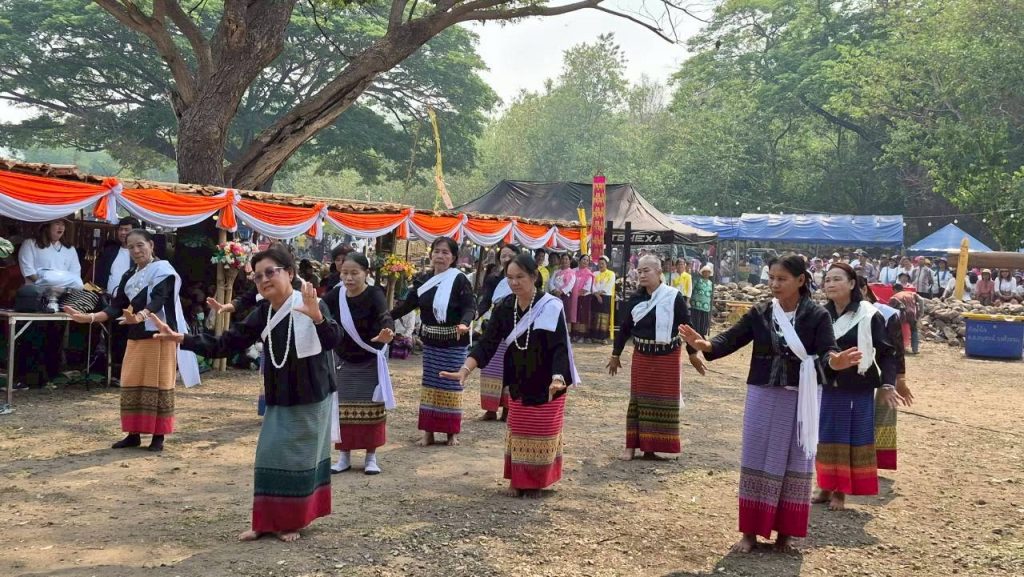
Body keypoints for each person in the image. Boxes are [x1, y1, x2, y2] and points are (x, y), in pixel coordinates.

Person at [157, 246, 341, 542]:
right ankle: (265, 522)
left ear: (289, 273)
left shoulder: (312, 303)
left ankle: (290, 522)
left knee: (299, 459)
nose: (264, 280)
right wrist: (183, 339)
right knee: (268, 456)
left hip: (311, 394)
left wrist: (318, 318)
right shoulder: (264, 312)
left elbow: (333, 340)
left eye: (270, 272)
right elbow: (227, 343)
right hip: (279, 394)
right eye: (258, 276)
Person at [679, 255, 861, 553]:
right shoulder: (761, 312)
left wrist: (836, 362)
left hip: (800, 397)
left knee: (795, 459)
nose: (774, 284)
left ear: (800, 280)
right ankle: (750, 532)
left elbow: (828, 351)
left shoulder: (816, 315)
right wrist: (706, 345)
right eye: (772, 278)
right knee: (757, 456)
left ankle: (785, 535)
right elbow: (731, 338)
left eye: (782, 279)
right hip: (763, 394)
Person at [444, 253, 578, 498]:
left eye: (520, 277)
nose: (514, 282)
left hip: (549, 380)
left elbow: (559, 346)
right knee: (518, 430)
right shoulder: (505, 307)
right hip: (518, 377)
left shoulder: (550, 305)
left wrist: (558, 377)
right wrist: (465, 369)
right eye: (510, 277)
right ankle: (518, 479)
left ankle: (536, 481)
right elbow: (487, 343)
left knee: (541, 432)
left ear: (534, 277)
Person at [65, 229, 200, 452]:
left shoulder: (163, 271)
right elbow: (116, 306)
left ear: (151, 245)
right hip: (136, 333)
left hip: (160, 334)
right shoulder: (129, 275)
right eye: (131, 247)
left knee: (159, 384)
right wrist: (89, 317)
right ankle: (133, 433)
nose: (136, 251)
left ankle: (158, 436)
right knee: (131, 381)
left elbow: (158, 300)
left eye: (140, 245)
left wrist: (140, 316)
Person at [815, 263, 905, 512]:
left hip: (857, 386)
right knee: (826, 435)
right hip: (828, 385)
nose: (831, 284)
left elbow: (887, 353)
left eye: (837, 279)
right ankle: (825, 485)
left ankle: (841, 491)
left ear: (852, 283)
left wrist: (889, 384)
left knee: (849, 437)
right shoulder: (821, 315)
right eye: (827, 280)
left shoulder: (869, 314)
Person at [607, 255, 699, 462]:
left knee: (663, 402)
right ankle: (631, 446)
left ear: (659, 272)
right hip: (642, 356)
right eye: (639, 271)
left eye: (646, 270)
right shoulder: (635, 299)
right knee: (638, 401)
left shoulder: (673, 296)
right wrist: (615, 354)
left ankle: (653, 448)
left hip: (668, 357)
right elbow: (625, 329)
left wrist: (693, 354)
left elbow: (687, 326)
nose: (642, 275)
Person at [390, 237, 475, 447]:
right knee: (431, 385)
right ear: (431, 254)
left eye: (445, 252)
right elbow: (407, 306)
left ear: (453, 257)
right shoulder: (423, 281)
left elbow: (469, 307)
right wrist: (383, 318)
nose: (440, 256)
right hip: (431, 343)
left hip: (454, 342)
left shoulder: (460, 280)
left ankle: (451, 433)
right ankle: (428, 432)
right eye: (437, 251)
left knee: (451, 386)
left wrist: (464, 323)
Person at [324, 253, 395, 475]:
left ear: (366, 273)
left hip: (370, 358)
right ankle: (343, 456)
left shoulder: (374, 294)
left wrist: (387, 332)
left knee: (371, 410)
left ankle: (370, 457)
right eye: (345, 273)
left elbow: (385, 316)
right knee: (343, 410)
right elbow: (319, 310)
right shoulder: (335, 295)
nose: (349, 278)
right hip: (343, 359)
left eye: (354, 273)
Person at [859, 277, 914, 471]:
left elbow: (897, 350)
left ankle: (875, 459)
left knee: (883, 413)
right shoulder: (837, 313)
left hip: (883, 372)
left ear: (863, 289)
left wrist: (899, 379)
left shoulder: (887, 314)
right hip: (854, 374)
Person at [476, 244, 521, 421]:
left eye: (510, 255)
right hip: (494, 327)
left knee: (512, 367)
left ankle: (508, 410)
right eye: (503, 256)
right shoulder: (493, 278)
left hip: (516, 328)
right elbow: (486, 300)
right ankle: (490, 409)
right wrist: (475, 314)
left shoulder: (522, 279)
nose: (506, 259)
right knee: (491, 368)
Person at [889, 282, 923, 354]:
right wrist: (921, 312)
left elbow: (890, 309)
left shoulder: (894, 297)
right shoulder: (911, 293)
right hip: (912, 315)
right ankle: (915, 349)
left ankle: (899, 348)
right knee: (914, 330)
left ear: (895, 290)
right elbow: (921, 300)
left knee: (897, 331)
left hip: (902, 315)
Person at [569, 254, 594, 342]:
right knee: (574, 315)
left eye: (587, 260)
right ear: (579, 261)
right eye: (584, 259)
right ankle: (574, 335)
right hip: (573, 297)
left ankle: (582, 336)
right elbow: (570, 283)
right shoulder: (573, 271)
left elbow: (587, 287)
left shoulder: (589, 273)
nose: (585, 261)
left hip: (584, 297)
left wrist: (577, 294)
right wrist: (573, 294)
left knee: (583, 316)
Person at [590, 256, 615, 344]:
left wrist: (600, 293)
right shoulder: (595, 273)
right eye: (599, 263)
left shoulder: (611, 274)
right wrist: (597, 295)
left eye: (602, 263)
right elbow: (592, 285)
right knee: (596, 316)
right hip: (596, 296)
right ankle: (594, 336)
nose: (600, 265)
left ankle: (603, 337)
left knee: (604, 317)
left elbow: (609, 285)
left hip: (606, 296)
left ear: (606, 264)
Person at [690, 264, 714, 337]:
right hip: (696, 304)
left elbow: (711, 294)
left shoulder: (711, 283)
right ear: (702, 273)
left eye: (708, 272)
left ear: (710, 274)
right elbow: (691, 289)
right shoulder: (697, 280)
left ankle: (702, 335)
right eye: (705, 272)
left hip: (706, 305)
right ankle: (695, 335)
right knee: (696, 320)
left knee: (704, 321)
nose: (706, 273)